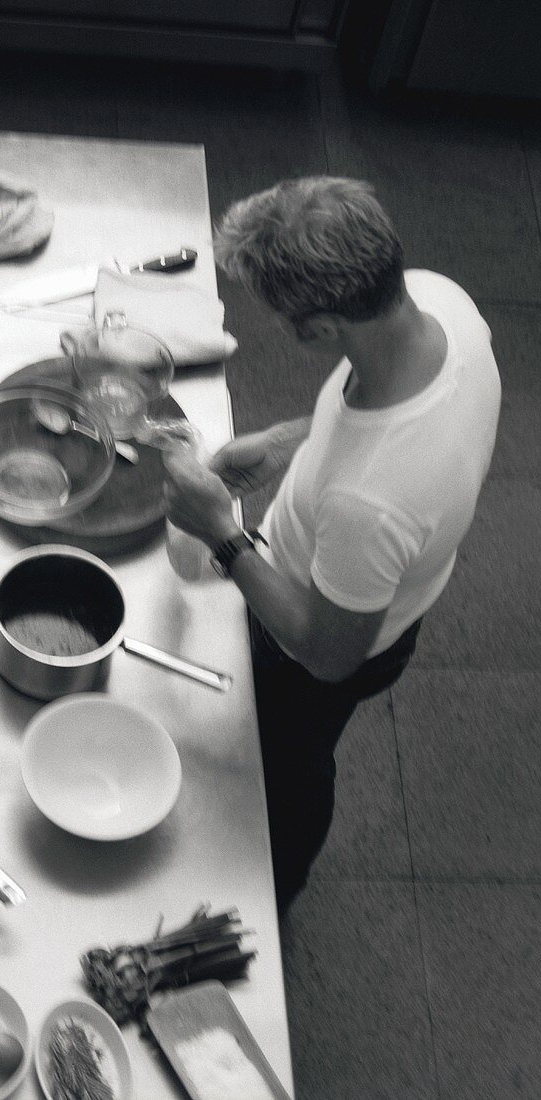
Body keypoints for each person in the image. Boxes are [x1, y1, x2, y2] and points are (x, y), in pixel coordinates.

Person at [162, 176, 501, 913]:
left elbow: (326, 653)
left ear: (316, 328)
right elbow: (387, 425)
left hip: (319, 642)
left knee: (291, 767)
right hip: (371, 568)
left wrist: (222, 534)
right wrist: (296, 440)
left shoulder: (370, 503)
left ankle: (275, 888)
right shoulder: (439, 300)